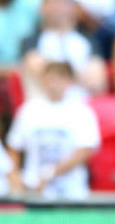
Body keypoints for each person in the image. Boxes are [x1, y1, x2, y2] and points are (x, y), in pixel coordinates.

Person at [6, 61, 100, 199]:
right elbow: (14, 147)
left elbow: (84, 151)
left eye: (59, 78)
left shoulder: (81, 111)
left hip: (71, 193)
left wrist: (51, 173)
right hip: (34, 191)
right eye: (50, 78)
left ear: (70, 81)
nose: (54, 84)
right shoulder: (29, 109)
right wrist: (14, 177)